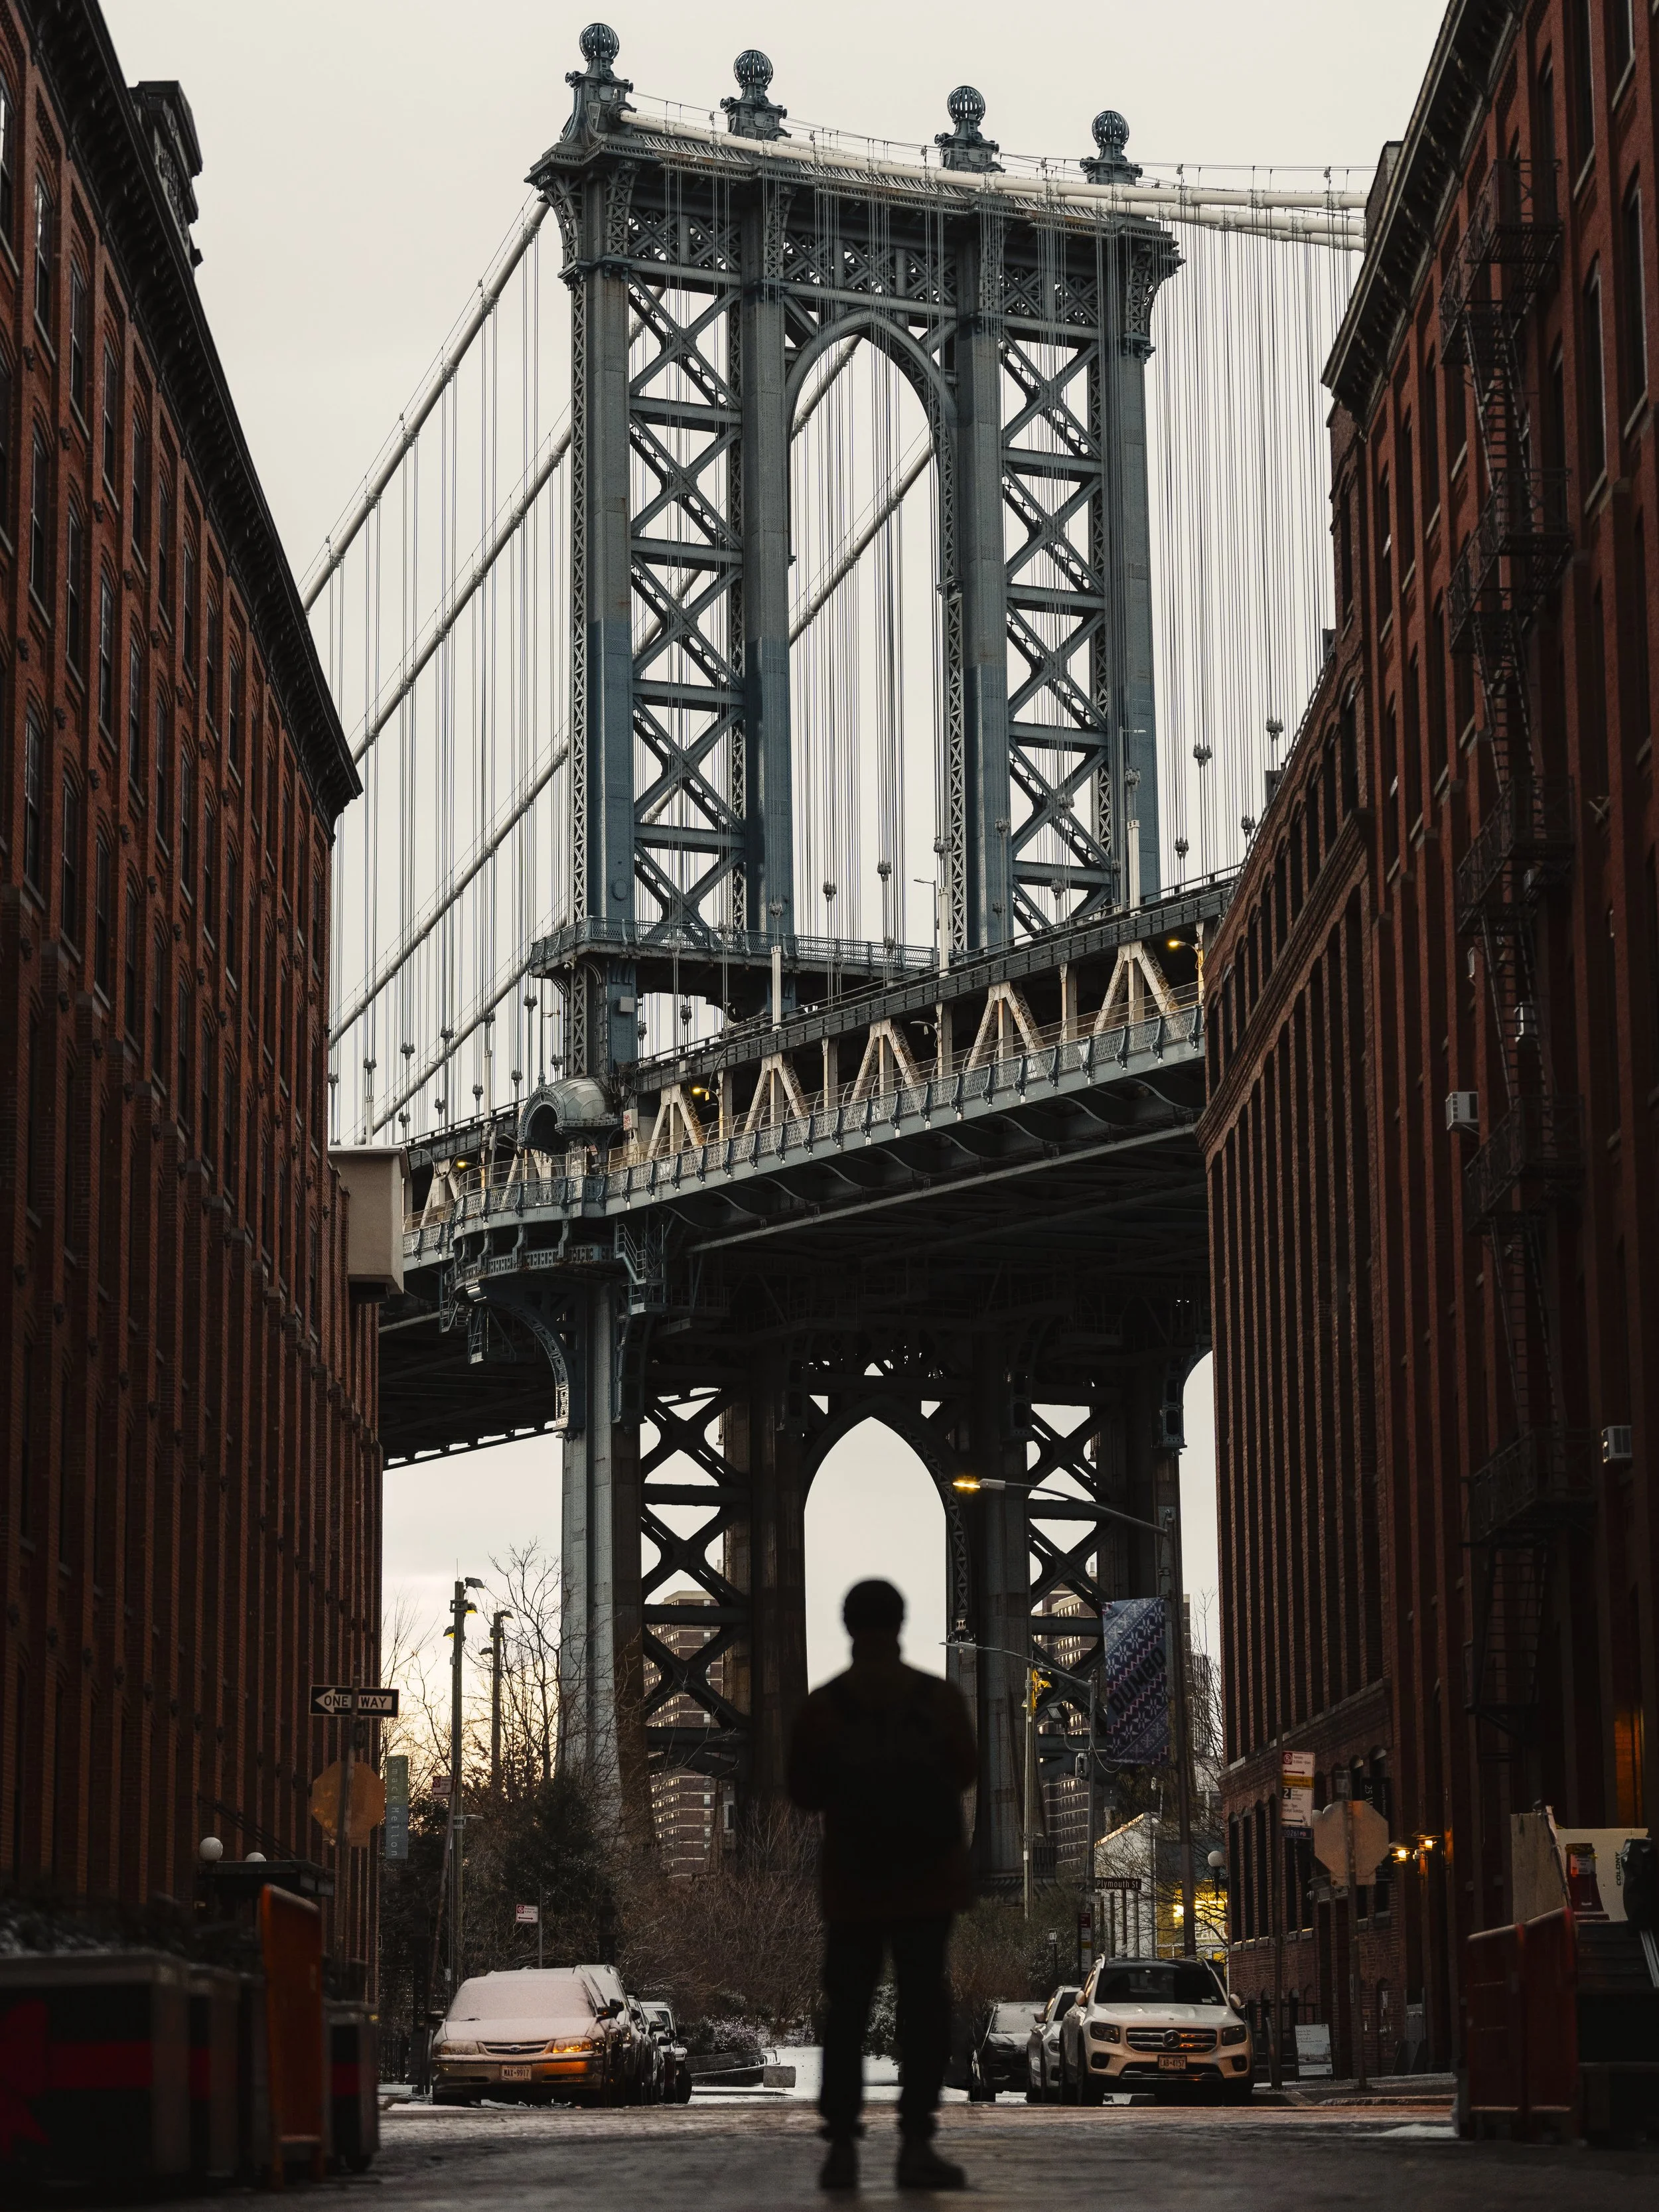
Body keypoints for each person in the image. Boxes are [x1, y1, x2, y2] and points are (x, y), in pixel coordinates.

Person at [788, 1578, 979, 2193]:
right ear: (900, 1623)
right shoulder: (939, 1699)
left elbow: (802, 1792)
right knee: (924, 2007)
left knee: (847, 2012)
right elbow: (966, 1772)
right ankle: (916, 2144)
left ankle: (842, 2148)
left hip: (854, 1884)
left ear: (847, 1626)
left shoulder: (823, 1707)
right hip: (927, 1882)